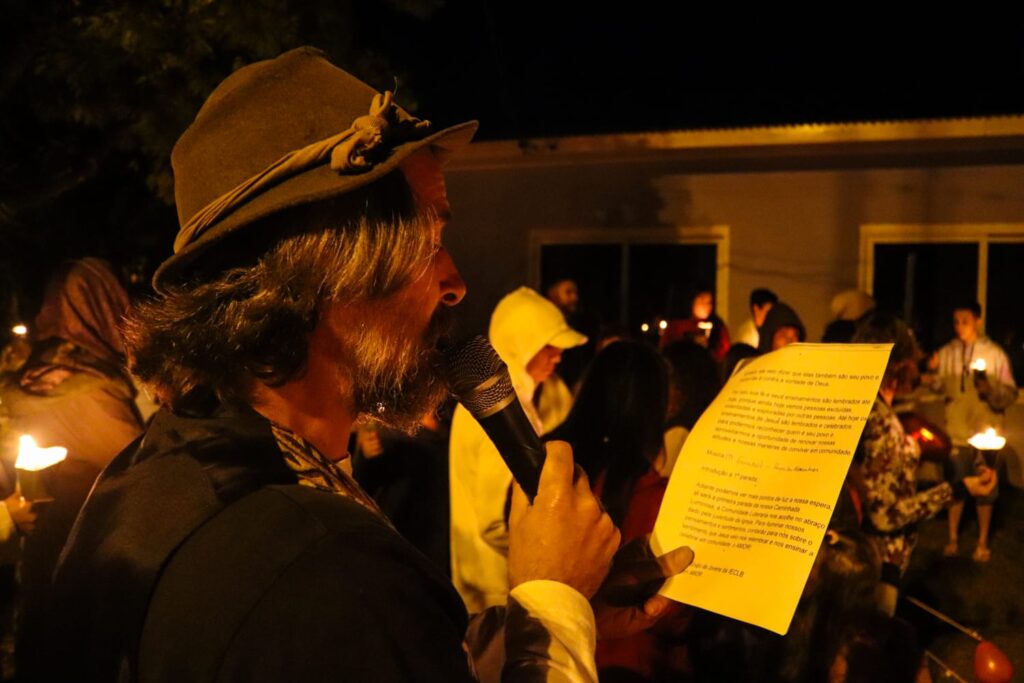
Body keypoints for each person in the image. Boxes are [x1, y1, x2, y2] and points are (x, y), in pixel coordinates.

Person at [24, 48, 676, 682]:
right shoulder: (314, 565)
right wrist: (554, 605)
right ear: (324, 271)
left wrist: (559, 613)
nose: (455, 283)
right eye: (427, 240)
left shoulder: (163, 470)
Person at [2, 259, 146, 676]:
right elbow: (142, 471)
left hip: (40, 561)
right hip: (92, 567)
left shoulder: (30, 376)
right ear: (103, 310)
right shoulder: (93, 392)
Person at [546, 341, 684, 681]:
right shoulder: (655, 496)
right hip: (625, 662)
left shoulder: (547, 468)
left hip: (545, 652)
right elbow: (669, 610)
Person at [449, 286, 586, 613]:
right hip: (497, 590)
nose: (558, 356)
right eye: (548, 346)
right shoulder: (498, 413)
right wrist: (553, 556)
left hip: (498, 585)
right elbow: (495, 519)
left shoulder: (518, 400)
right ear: (522, 344)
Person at [852, 312, 996, 615]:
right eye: (911, 356)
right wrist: (959, 489)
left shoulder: (865, 408)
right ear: (898, 363)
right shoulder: (878, 421)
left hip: (871, 560)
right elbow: (886, 515)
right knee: (877, 633)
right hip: (879, 565)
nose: (916, 364)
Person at [927, 300, 1018, 563]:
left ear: (978, 320)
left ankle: (982, 542)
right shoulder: (947, 353)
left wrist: (989, 390)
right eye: (955, 322)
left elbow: (1010, 394)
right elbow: (941, 387)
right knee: (955, 486)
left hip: (985, 434)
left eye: (965, 321)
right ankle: (953, 538)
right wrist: (932, 375)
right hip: (956, 431)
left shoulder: (995, 355)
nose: (959, 327)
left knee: (985, 488)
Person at [660, 289, 730, 363]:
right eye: (702, 301)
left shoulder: (718, 326)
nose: (708, 306)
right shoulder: (676, 326)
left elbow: (724, 353)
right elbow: (664, 352)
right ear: (691, 302)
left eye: (710, 302)